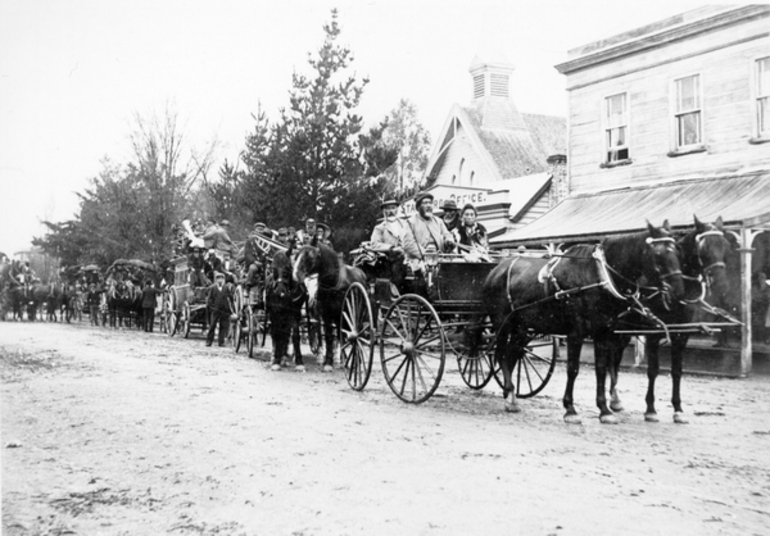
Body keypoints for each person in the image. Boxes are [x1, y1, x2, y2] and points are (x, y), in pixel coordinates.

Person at [402, 192, 456, 274]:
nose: (428, 205)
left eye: (430, 203)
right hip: (417, 260)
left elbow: (446, 234)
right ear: (418, 207)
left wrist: (448, 241)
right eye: (425, 203)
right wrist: (425, 255)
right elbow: (408, 244)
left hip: (438, 259)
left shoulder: (438, 221)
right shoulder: (410, 222)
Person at [206, 272, 232, 347]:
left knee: (223, 326)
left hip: (224, 310)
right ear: (216, 280)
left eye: (221, 278)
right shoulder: (213, 288)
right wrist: (213, 308)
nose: (220, 280)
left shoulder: (226, 288)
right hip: (215, 310)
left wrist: (229, 309)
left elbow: (230, 298)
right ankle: (209, 341)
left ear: (223, 280)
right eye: (218, 278)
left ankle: (221, 342)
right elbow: (209, 300)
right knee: (212, 325)